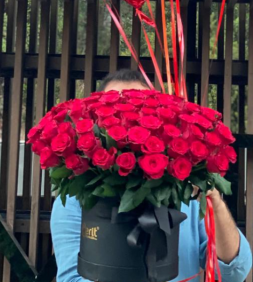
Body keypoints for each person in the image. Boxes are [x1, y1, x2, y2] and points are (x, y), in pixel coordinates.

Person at [51, 69, 252, 282]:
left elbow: (233, 273)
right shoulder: (74, 201)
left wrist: (214, 202)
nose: (126, 121)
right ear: (96, 123)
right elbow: (72, 278)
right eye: (114, 111)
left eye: (137, 109)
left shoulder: (186, 195)